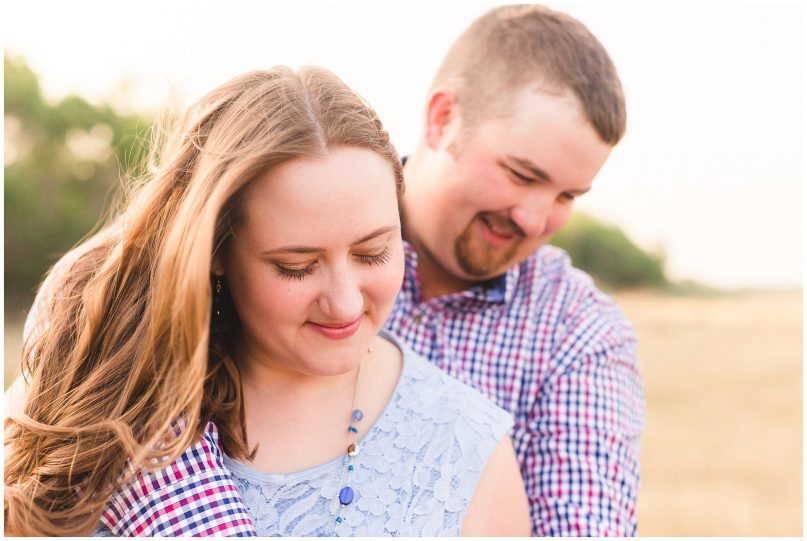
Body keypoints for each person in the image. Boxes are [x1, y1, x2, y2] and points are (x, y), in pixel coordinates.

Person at [4, 66, 531, 536]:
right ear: (215, 251)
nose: (345, 303)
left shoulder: (468, 448)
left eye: (373, 253)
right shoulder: (100, 395)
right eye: (295, 266)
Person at [384, 4, 646, 536]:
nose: (534, 220)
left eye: (567, 195)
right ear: (443, 119)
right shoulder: (300, 250)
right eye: (521, 174)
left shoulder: (580, 333)